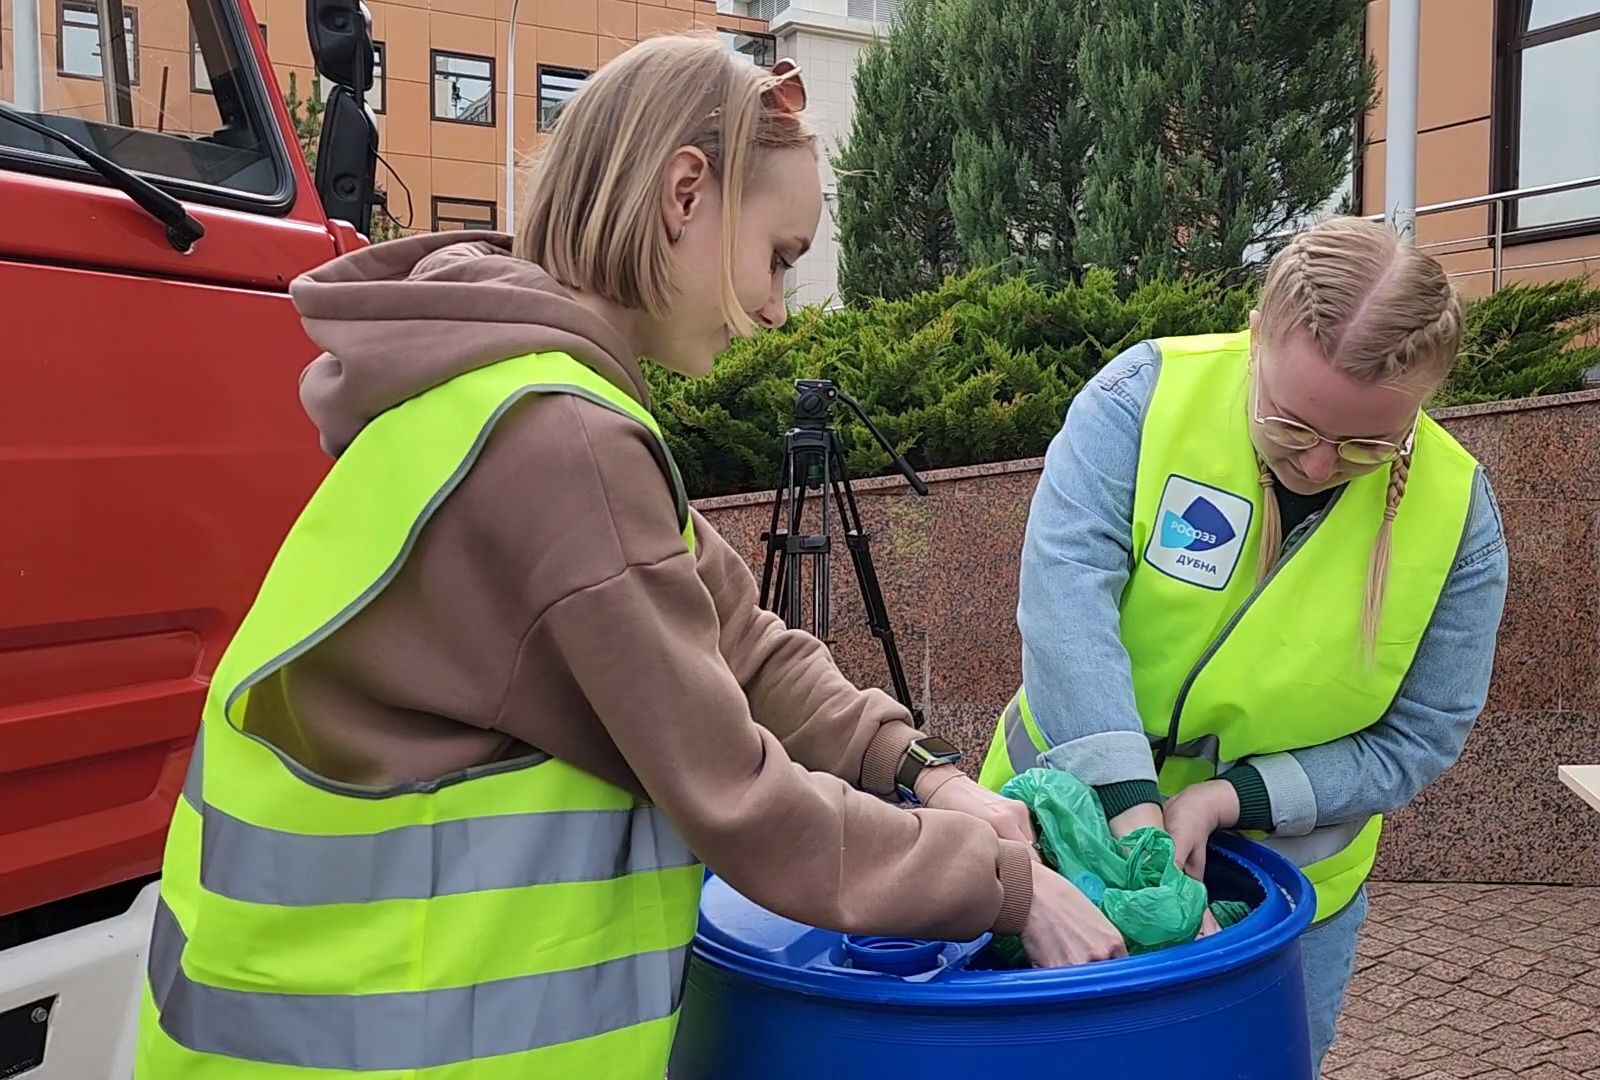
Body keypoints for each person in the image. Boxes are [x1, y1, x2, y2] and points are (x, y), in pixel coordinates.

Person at [135, 34, 1128, 1080]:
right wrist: (1007, 884)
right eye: (779, 257)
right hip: (376, 1046)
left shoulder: (505, 390)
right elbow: (740, 800)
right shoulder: (560, 440)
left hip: (304, 1014)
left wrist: (925, 776)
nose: (779, 310)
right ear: (685, 193)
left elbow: (740, 641)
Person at [978, 215, 1509, 1076]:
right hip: (1053, 840)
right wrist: (1145, 846)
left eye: (1367, 444)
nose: (1316, 465)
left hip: (1282, 891)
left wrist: (1229, 801)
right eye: (1293, 426)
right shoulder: (1142, 401)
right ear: (1258, 334)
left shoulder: (1458, 517)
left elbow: (1420, 734)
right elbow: (1066, 609)